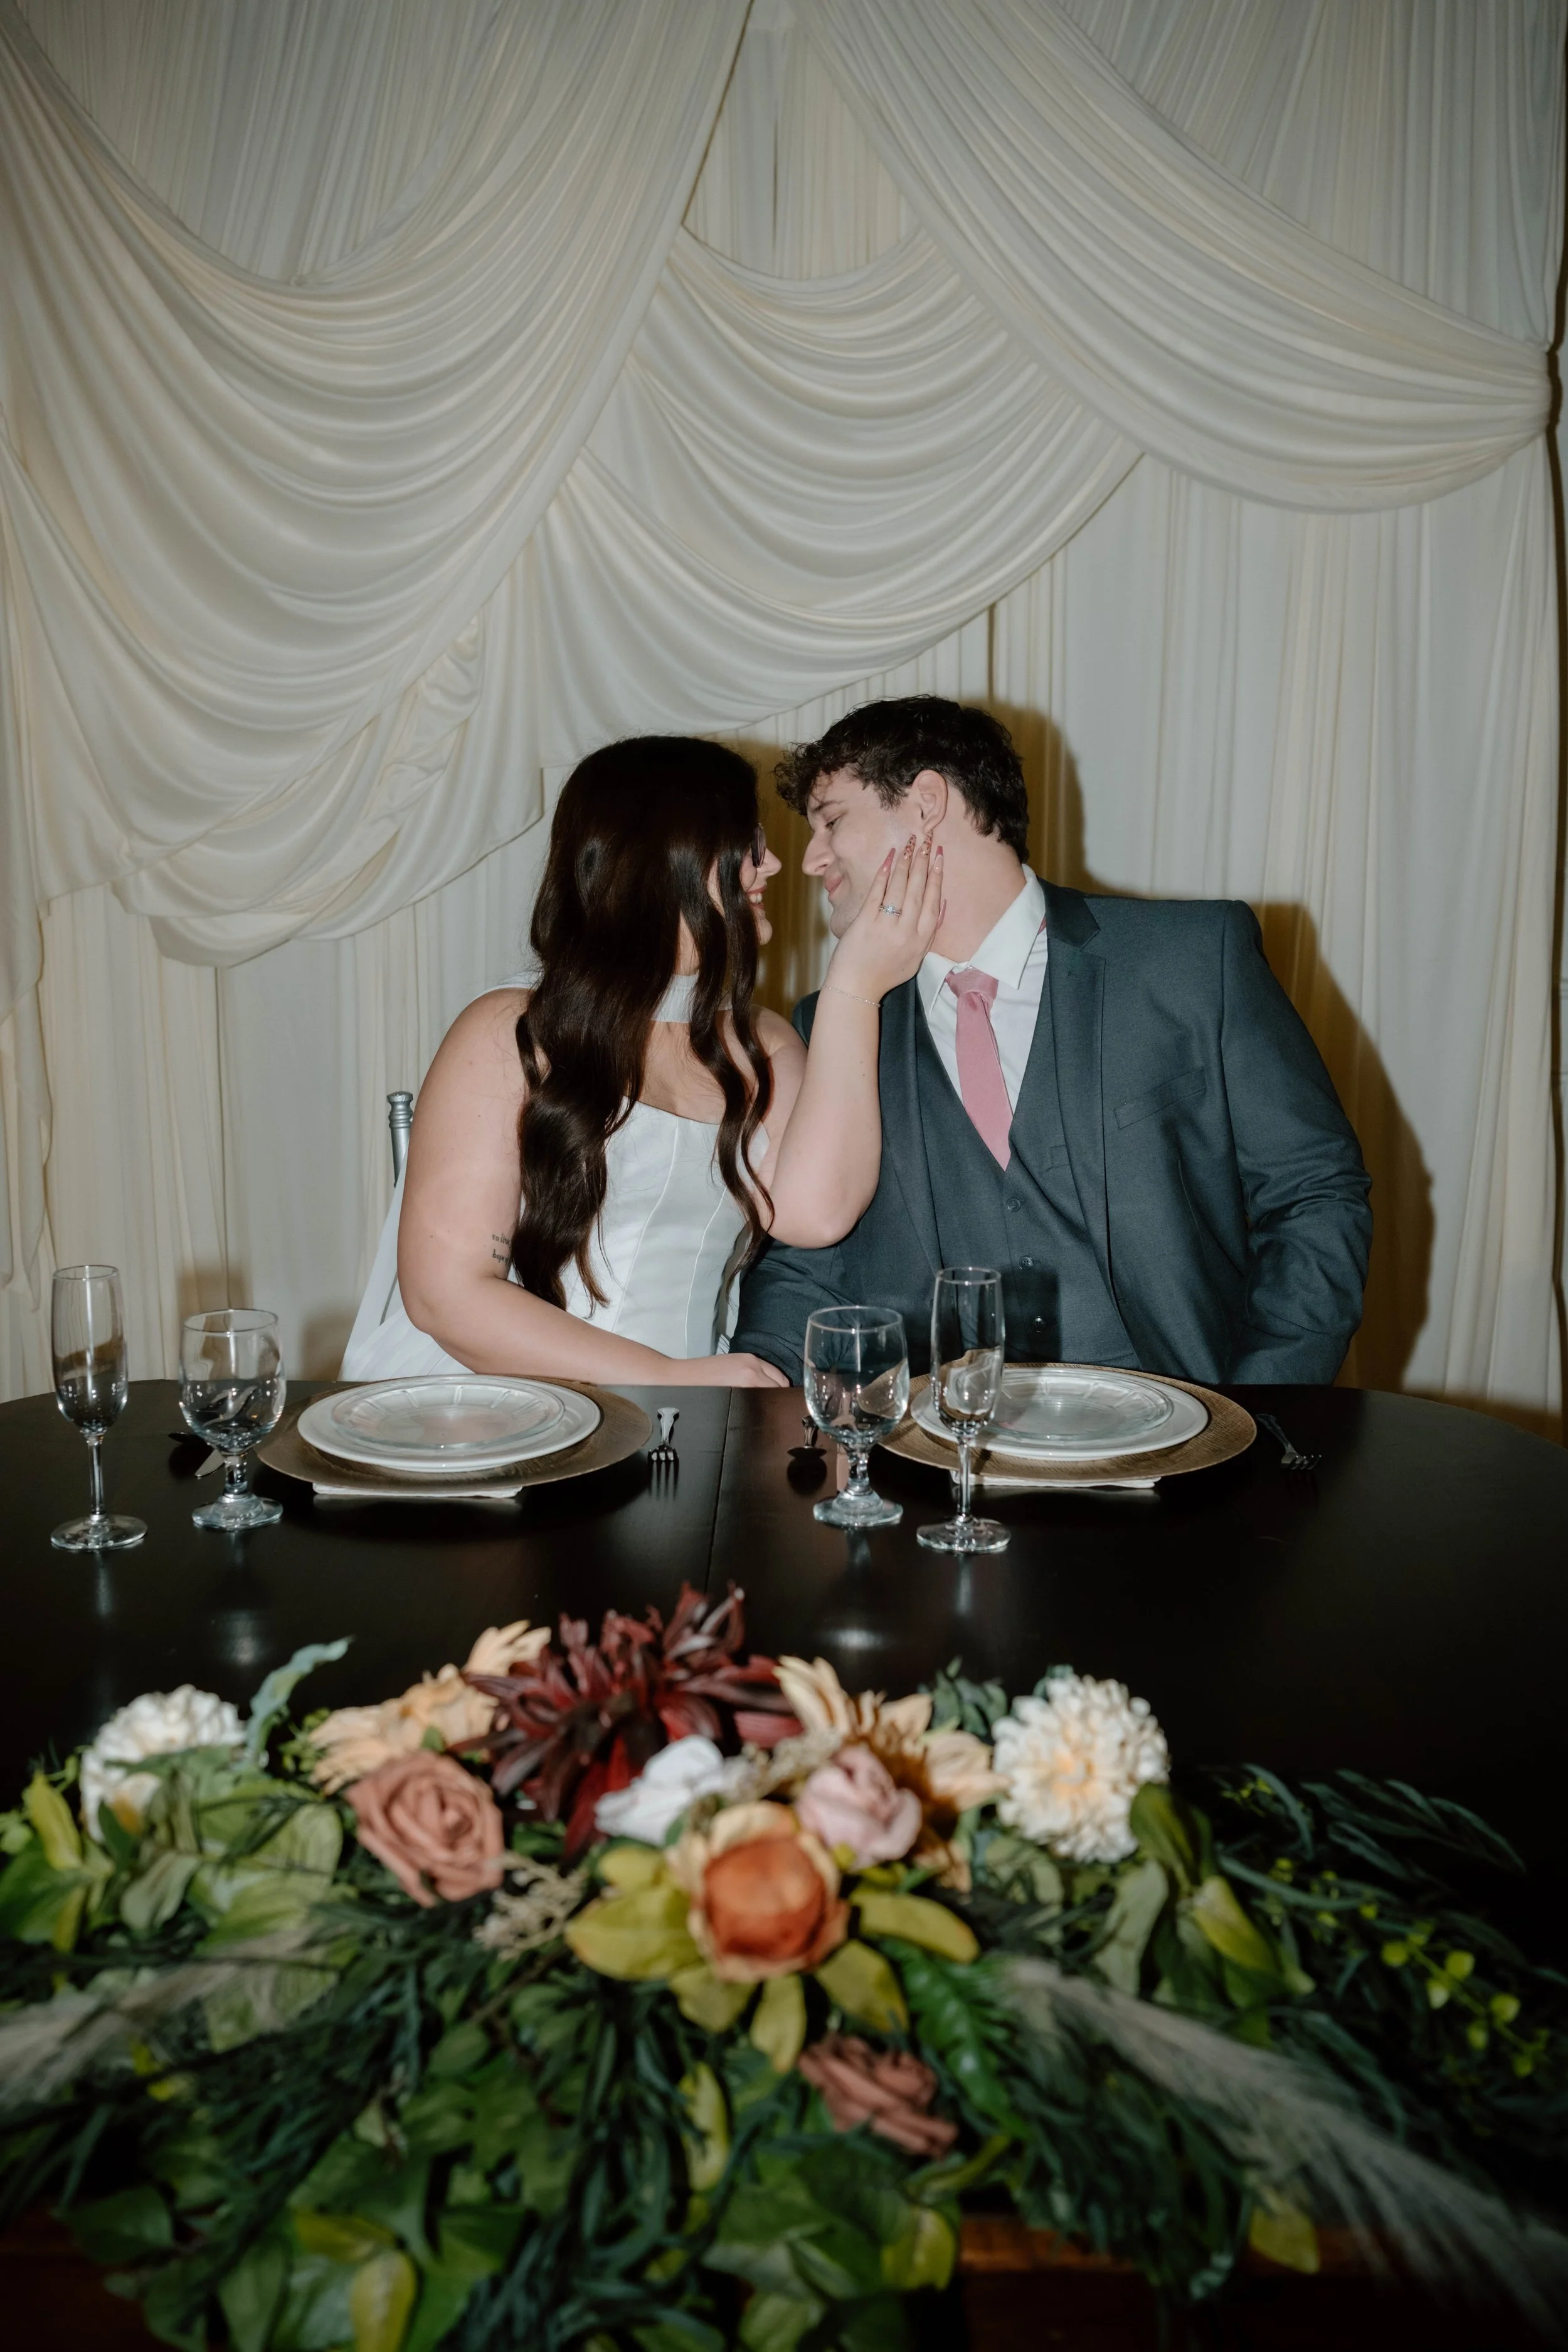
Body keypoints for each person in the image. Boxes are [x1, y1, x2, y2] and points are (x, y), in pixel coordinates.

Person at [733, 697, 1372, 1384]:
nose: (810, 859)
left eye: (830, 821)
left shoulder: (1189, 961)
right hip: (936, 1462)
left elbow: (1314, 1194)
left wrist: (1260, 1408)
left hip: (1182, 1454)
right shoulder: (832, 1024)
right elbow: (804, 1269)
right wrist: (761, 1397)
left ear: (925, 803)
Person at [342, 736, 941, 1385]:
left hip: (680, 1425)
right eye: (747, 842)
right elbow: (446, 1296)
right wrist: (672, 1377)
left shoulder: (762, 1042)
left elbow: (816, 1214)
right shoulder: (510, 1031)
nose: (770, 866)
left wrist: (854, 987)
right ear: (663, 856)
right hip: (494, 1409)